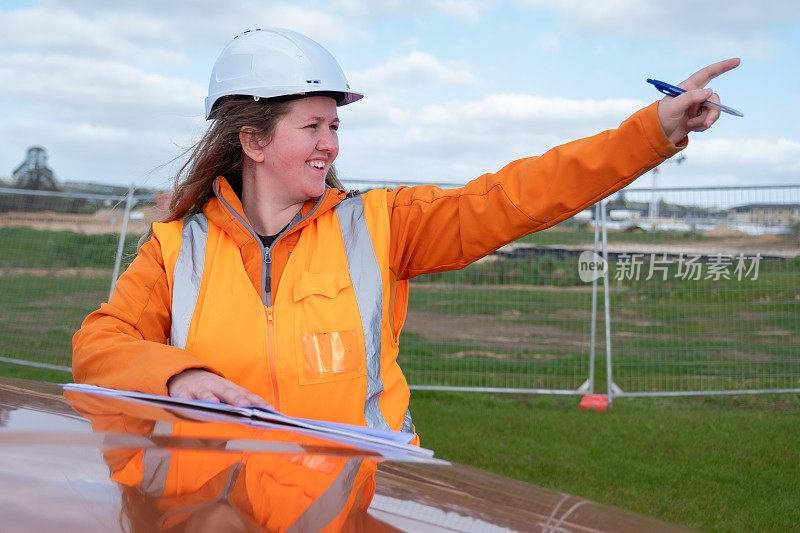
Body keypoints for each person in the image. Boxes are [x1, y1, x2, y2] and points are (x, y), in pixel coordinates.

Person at [72, 28, 740, 440]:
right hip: (213, 514)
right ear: (251, 139)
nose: (330, 145)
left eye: (334, 126)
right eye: (312, 127)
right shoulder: (172, 248)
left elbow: (516, 197)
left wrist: (652, 132)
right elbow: (99, 346)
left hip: (352, 508)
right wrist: (178, 374)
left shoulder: (385, 224)